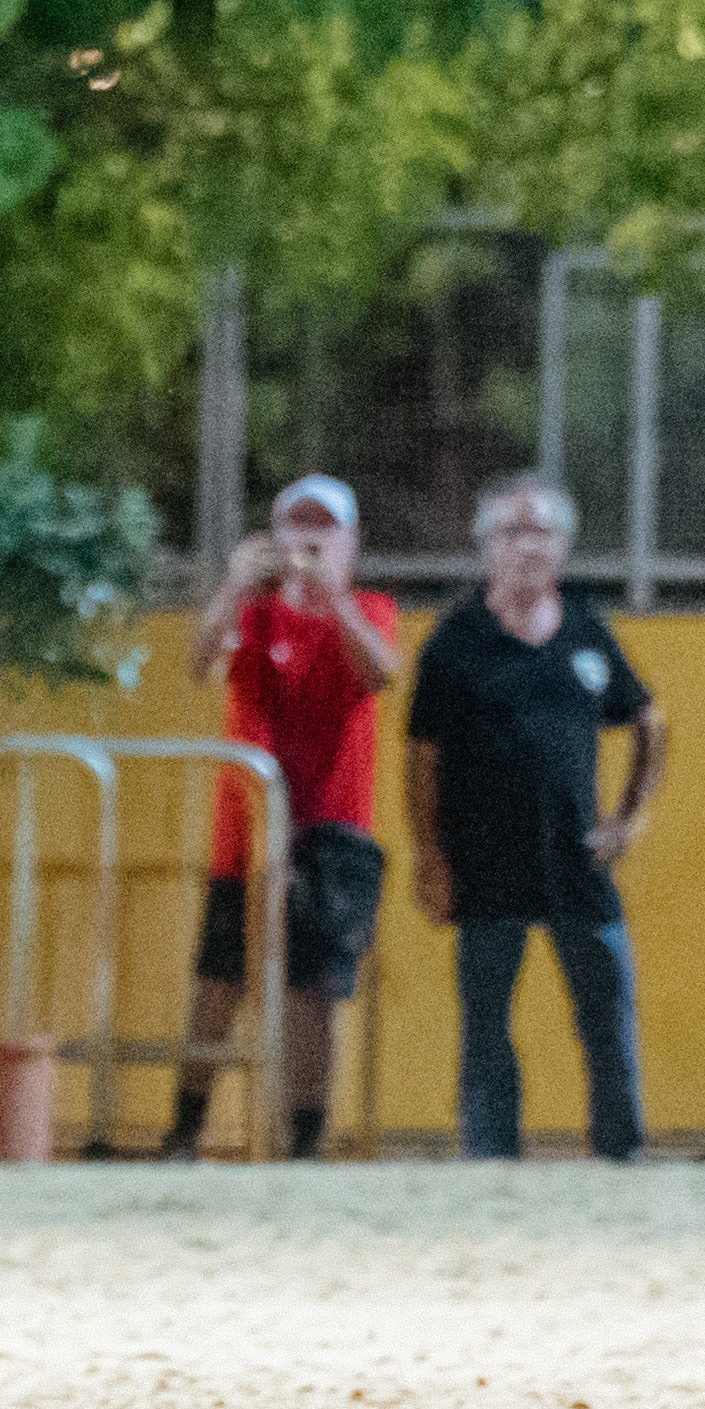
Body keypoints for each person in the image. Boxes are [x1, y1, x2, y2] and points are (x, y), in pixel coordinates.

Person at [408, 473, 665, 1161]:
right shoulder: (455, 641)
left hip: (575, 861)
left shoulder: (586, 631)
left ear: (564, 547)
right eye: (512, 532)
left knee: (606, 1011)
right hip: (484, 864)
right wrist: (431, 857)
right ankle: (491, 1156)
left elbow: (648, 721)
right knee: (486, 1023)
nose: (527, 546)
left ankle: (620, 1150)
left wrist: (627, 819)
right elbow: (422, 759)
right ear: (487, 546)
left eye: (542, 532)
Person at [165, 474, 401, 1160]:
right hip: (246, 833)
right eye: (296, 525)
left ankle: (305, 1138)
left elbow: (379, 672)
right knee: (218, 979)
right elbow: (198, 661)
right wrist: (234, 586)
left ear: (350, 543)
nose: (308, 538)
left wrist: (334, 602)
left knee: (315, 992)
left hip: (331, 827)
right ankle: (185, 1130)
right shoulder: (254, 614)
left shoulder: (371, 608)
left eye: (324, 527)